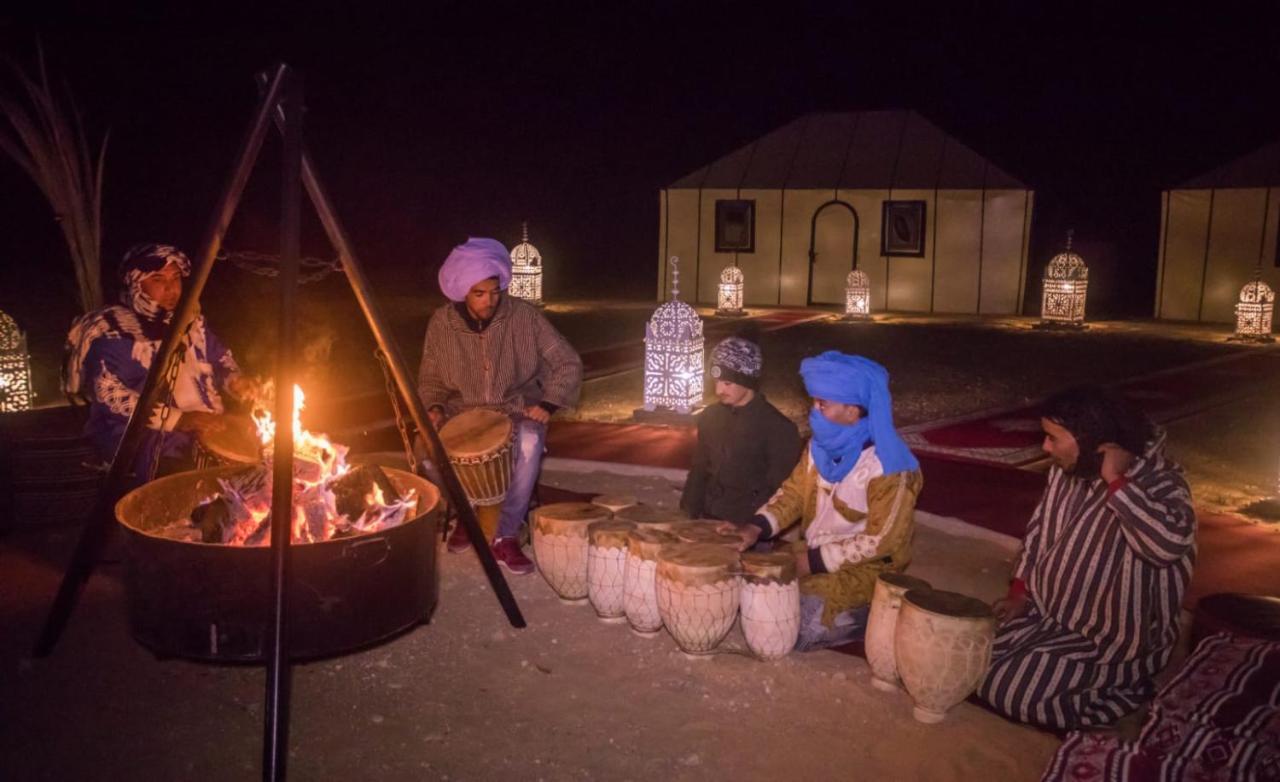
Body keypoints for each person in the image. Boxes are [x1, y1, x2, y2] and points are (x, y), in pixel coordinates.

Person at [977, 386, 1195, 731]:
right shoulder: (1066, 471)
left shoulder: (1161, 483)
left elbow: (1166, 545)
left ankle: (1129, 689)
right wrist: (1020, 592)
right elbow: (1038, 531)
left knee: (1012, 690)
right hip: (1048, 616)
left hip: (1112, 641)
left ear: (1096, 442)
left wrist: (1116, 481)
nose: (1045, 448)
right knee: (971, 654)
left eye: (1052, 438)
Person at [734, 351, 923, 651]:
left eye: (823, 404)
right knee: (748, 597)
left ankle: (874, 613)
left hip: (866, 570)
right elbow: (794, 493)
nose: (813, 411)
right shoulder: (819, 448)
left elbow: (881, 540)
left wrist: (813, 562)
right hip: (811, 553)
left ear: (852, 411)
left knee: (790, 629)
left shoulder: (889, 468)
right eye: (813, 401)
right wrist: (756, 527)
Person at [417, 237, 583, 574]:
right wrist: (433, 408)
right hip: (461, 412)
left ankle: (504, 534)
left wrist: (548, 404)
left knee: (531, 441)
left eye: (494, 291)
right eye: (479, 293)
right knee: (425, 452)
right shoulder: (440, 324)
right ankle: (468, 516)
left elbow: (567, 362)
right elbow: (431, 380)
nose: (489, 300)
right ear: (462, 291)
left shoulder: (524, 316)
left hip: (515, 408)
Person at [64, 243, 254, 482]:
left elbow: (219, 361)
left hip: (204, 424)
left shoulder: (192, 322)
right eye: (157, 279)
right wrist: (179, 420)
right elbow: (110, 396)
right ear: (136, 284)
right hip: (145, 436)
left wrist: (236, 381)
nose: (171, 288)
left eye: (176, 278)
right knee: (184, 478)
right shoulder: (114, 331)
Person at [680, 334, 801, 524]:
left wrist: (752, 526)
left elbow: (780, 490)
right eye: (716, 382)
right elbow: (699, 469)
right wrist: (687, 512)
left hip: (748, 527)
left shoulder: (778, 428)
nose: (719, 390)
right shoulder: (711, 416)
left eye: (727, 383)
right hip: (706, 519)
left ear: (747, 381)